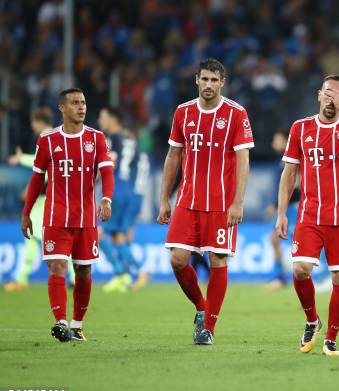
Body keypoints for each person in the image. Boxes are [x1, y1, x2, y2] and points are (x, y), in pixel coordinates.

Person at [276, 74, 339, 357]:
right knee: (299, 270)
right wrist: (282, 211)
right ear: (319, 95)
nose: (332, 98)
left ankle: (331, 338)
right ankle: (312, 320)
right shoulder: (301, 128)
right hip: (310, 214)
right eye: (328, 93)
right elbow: (289, 173)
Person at [157, 59, 253, 346]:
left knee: (217, 260)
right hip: (187, 199)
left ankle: (208, 327)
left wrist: (238, 202)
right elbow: (173, 156)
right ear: (196, 80)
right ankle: (201, 307)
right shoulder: (183, 112)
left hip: (222, 203)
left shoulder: (236, 113)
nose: (209, 85)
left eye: (214, 80)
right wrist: (164, 198)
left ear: (222, 82)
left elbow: (242, 161)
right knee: (177, 259)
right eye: (205, 79)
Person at [21, 88, 114, 342]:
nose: (81, 107)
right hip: (55, 217)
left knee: (83, 271)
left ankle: (77, 325)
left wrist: (106, 198)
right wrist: (26, 212)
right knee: (58, 266)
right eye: (74, 103)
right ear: (62, 108)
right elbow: (37, 178)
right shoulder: (47, 140)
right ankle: (61, 323)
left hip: (86, 218)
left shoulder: (96, 138)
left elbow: (107, 172)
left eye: (83, 102)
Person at [5, 108, 75, 291]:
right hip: (51, 199)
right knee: (32, 236)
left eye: (32, 121)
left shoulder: (47, 137)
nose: (31, 125)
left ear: (37, 121)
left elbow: (43, 167)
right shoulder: (58, 135)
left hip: (48, 201)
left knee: (46, 239)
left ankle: (75, 276)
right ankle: (22, 278)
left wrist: (29, 186)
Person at [97, 107, 150, 292]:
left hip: (116, 190)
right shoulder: (129, 139)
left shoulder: (113, 138)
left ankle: (122, 273)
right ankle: (135, 272)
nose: (99, 121)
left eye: (102, 117)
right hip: (129, 190)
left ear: (114, 120)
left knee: (97, 234)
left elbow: (108, 166)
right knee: (118, 235)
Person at [265, 129, 300, 290]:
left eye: (277, 139)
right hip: (284, 207)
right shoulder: (282, 160)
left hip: (293, 207)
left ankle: (310, 276)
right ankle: (280, 277)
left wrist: (280, 204)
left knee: (298, 243)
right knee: (274, 239)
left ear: (286, 141)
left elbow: (295, 185)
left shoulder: (295, 158)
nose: (274, 143)